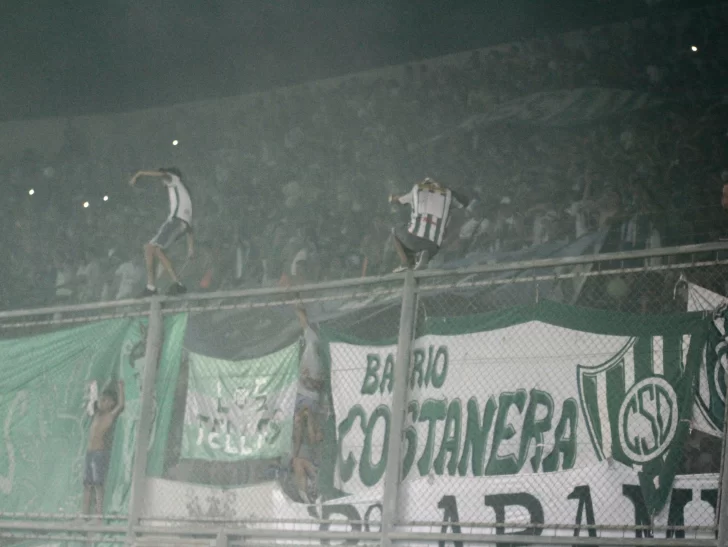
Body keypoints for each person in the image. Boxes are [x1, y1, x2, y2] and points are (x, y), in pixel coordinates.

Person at [129, 167, 194, 296]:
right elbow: (189, 228)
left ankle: (167, 285)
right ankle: (159, 285)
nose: (162, 183)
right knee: (153, 249)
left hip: (175, 221)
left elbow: (163, 174)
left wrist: (140, 173)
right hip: (181, 224)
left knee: (153, 248)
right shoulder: (183, 192)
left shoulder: (174, 180)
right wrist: (191, 247)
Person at [389, 177, 469, 272]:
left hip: (415, 238)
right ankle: (423, 255)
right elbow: (464, 203)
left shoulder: (417, 189)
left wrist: (392, 198)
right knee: (431, 240)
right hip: (435, 245)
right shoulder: (447, 194)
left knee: (395, 231)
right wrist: (450, 191)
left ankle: (406, 263)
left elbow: (398, 201)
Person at [84, 381, 125, 516]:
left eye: (105, 400)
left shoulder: (109, 416)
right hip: (90, 453)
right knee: (87, 485)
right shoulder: (97, 414)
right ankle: (84, 514)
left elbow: (121, 405)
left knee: (98, 485)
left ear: (111, 403)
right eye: (101, 400)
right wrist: (93, 387)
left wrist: (120, 388)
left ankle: (99, 515)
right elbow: (93, 399)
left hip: (99, 454)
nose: (101, 402)